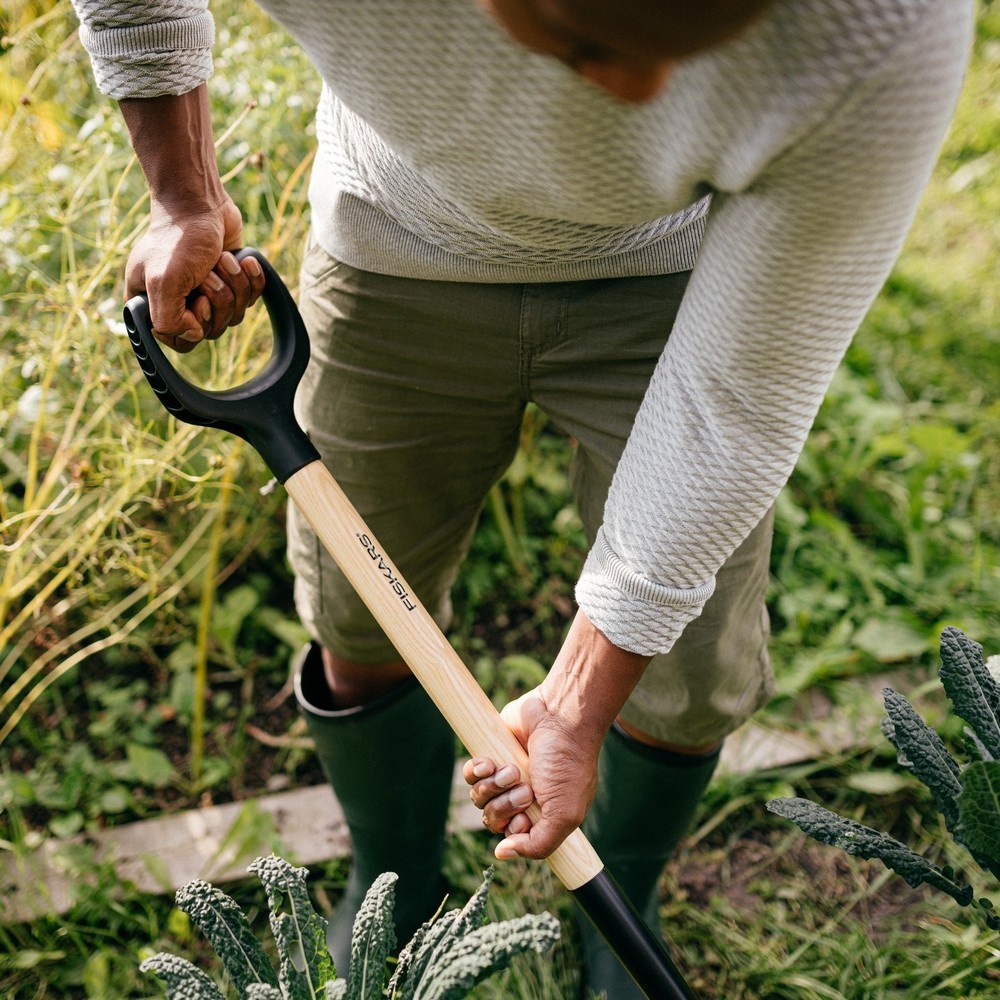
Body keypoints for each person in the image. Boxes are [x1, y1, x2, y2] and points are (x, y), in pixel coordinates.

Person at [70, 0, 973, 995]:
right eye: (593, 42)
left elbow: (737, 399)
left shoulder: (887, 31)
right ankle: (394, 882)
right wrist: (181, 192)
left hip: (680, 272)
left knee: (689, 651)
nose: (636, 94)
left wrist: (578, 704)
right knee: (358, 617)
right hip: (395, 245)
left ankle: (623, 891)